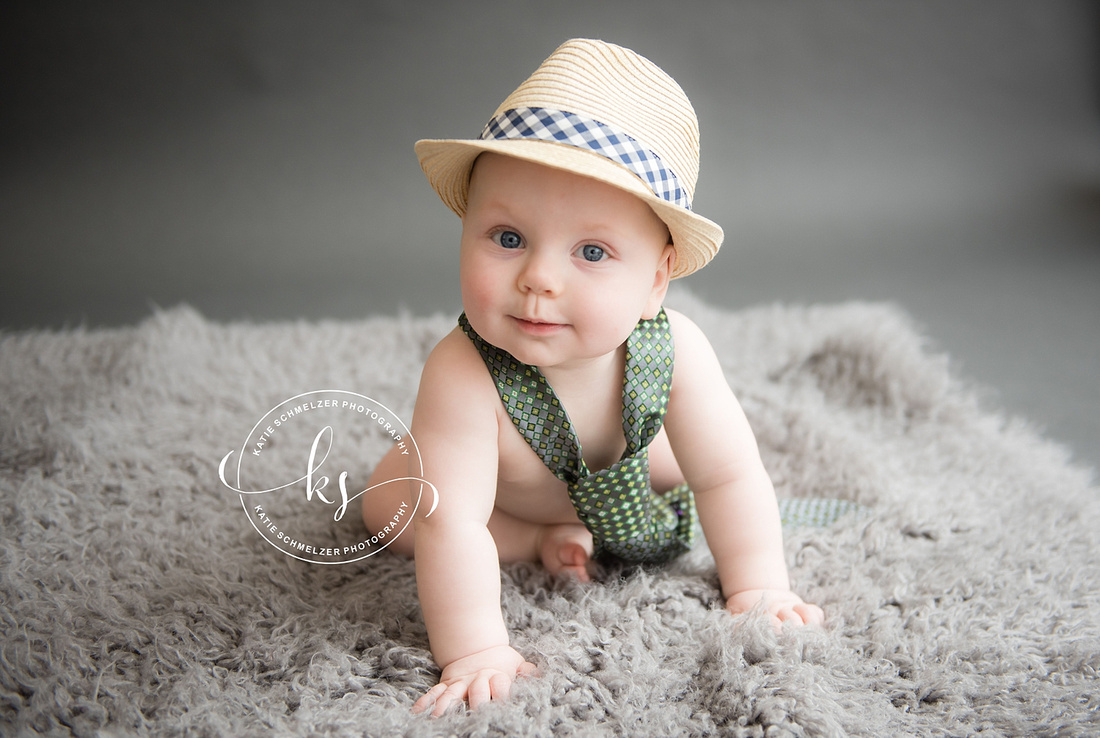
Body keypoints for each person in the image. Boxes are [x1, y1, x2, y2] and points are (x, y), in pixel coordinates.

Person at [363, 38, 823, 717]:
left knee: (689, 458)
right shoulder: (463, 371)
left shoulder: (676, 354)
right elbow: (453, 524)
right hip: (501, 501)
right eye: (508, 237)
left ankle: (572, 527)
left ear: (656, 281)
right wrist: (476, 649)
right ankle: (537, 540)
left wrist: (757, 586)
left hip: (621, 468)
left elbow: (729, 474)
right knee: (391, 502)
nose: (539, 279)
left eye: (592, 251)